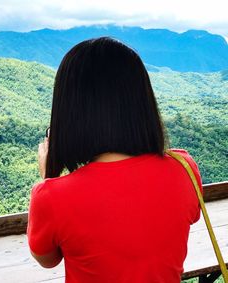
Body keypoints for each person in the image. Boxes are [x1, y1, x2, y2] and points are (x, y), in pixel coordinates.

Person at [26, 37, 202, 283]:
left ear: (70, 113)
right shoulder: (185, 167)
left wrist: (50, 180)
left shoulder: (51, 196)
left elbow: (47, 259)